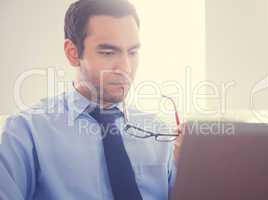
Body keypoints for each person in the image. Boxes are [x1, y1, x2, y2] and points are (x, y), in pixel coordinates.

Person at [0, 0, 177, 199]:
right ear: (72, 53)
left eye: (133, 52)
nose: (126, 68)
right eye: (108, 53)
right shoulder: (26, 132)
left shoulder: (159, 133)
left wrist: (190, 166)